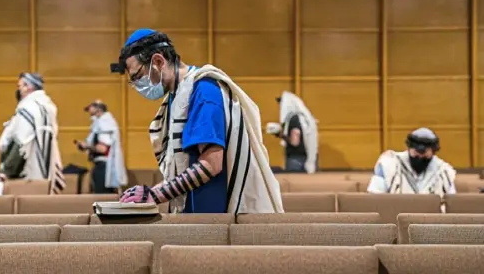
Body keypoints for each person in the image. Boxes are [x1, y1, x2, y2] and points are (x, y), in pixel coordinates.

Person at [112, 28, 283, 214]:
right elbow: (184, 170)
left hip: (217, 217)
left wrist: (155, 195)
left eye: (138, 76)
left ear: (158, 61)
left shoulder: (203, 91)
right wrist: (151, 192)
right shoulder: (177, 96)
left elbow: (210, 164)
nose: (138, 84)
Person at [0, 73, 66, 194]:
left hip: (26, 174)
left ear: (28, 87)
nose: (18, 90)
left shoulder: (28, 108)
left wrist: (5, 171)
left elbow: (21, 142)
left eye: (20, 86)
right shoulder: (48, 107)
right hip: (46, 173)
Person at [367, 127, 456, 199]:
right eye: (417, 152)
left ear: (433, 151)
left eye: (424, 153)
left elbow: (451, 203)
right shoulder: (388, 165)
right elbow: (374, 198)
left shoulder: (444, 172)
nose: (420, 157)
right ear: (409, 148)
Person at [75, 100, 127, 194]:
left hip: (104, 167)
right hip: (103, 166)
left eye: (90, 108)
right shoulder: (102, 123)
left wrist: (86, 146)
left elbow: (103, 148)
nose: (89, 113)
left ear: (98, 109)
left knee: (102, 197)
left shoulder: (104, 123)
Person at [266, 91, 318, 173]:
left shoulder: (293, 119)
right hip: (304, 158)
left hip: (295, 160)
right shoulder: (303, 119)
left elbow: (295, 141)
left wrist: (281, 135)